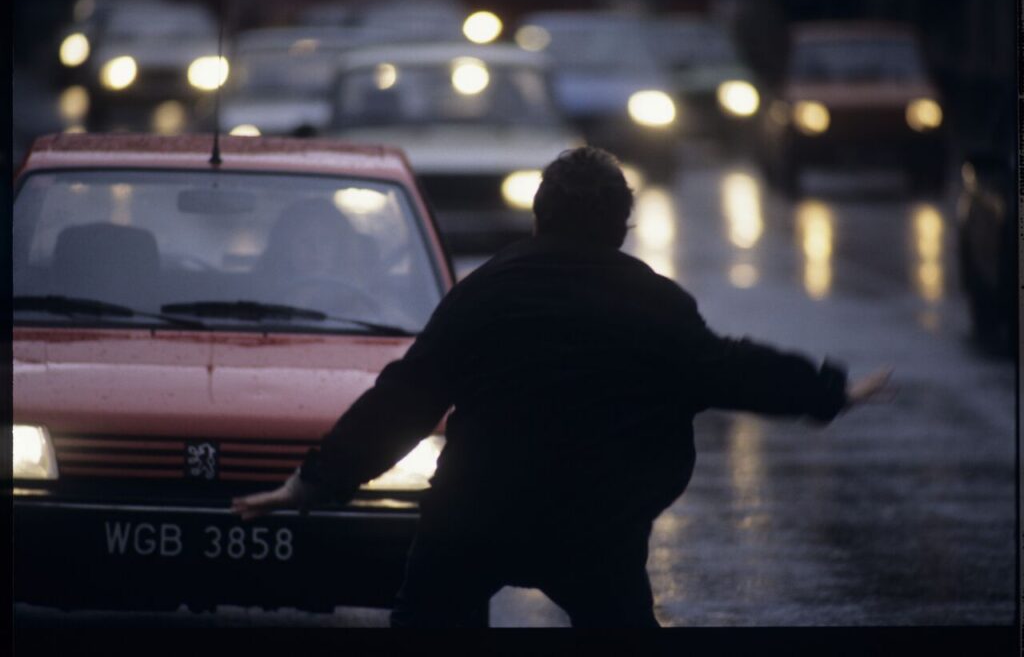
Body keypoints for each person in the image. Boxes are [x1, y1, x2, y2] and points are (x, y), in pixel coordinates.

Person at [232, 147, 893, 627]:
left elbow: (406, 395)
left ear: (538, 217)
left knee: (427, 624)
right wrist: (827, 391)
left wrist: (315, 481)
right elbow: (731, 367)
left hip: (474, 513)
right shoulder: (655, 304)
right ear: (621, 228)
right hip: (596, 523)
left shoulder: (484, 292)